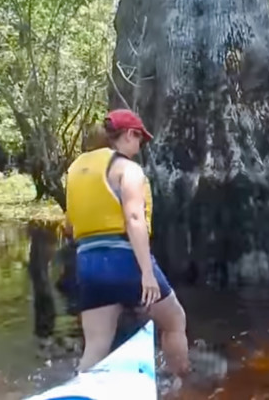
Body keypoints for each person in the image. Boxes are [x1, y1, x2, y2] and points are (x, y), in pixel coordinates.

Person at [64, 108, 189, 376]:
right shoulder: (127, 169)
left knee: (96, 345)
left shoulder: (75, 169)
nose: (139, 146)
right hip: (124, 258)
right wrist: (146, 274)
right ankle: (181, 386)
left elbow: (69, 224)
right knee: (175, 321)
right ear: (129, 134)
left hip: (88, 262)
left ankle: (79, 389)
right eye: (139, 139)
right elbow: (134, 218)